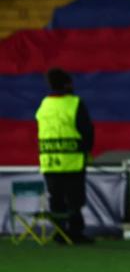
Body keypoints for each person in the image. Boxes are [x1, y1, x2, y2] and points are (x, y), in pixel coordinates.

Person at [35, 68, 94, 244]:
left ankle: (60, 233)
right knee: (75, 200)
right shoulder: (75, 102)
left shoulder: (44, 104)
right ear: (67, 84)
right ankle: (75, 233)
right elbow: (87, 131)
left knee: (56, 200)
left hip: (50, 161)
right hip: (72, 161)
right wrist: (86, 150)